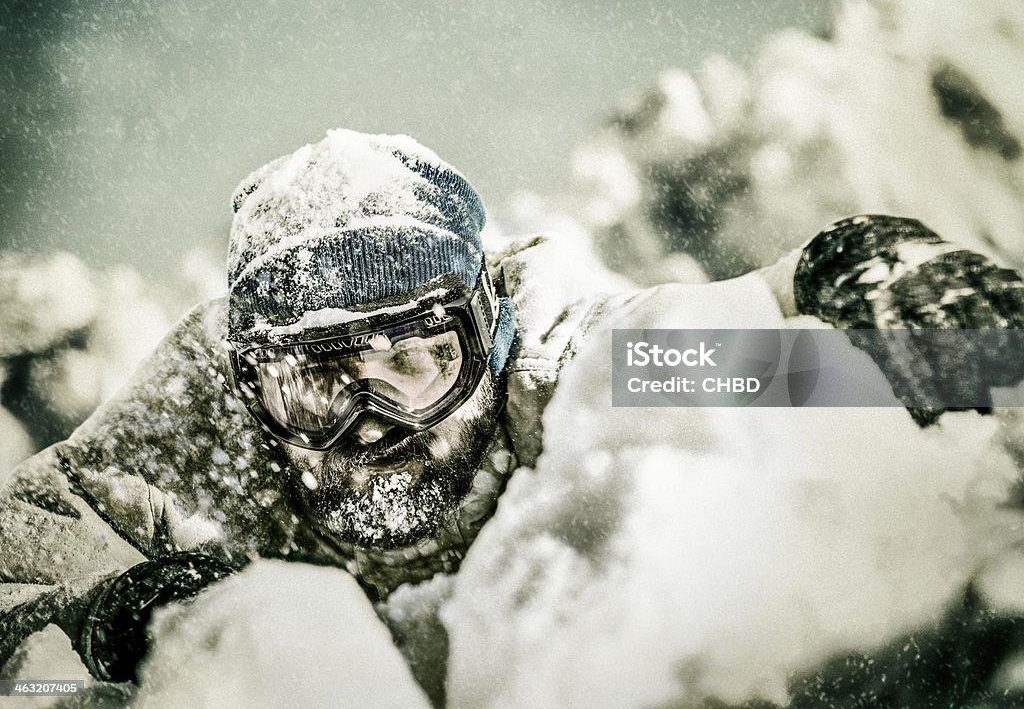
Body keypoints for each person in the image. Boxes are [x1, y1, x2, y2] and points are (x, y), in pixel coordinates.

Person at [0, 129, 1021, 686]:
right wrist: (109, 612)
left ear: (487, 338)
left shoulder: (569, 362)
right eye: (316, 377)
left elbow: (774, 357)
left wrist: (874, 273)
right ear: (250, 377)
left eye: (418, 357)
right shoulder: (188, 434)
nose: (374, 420)